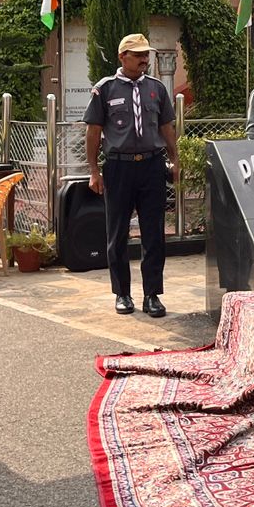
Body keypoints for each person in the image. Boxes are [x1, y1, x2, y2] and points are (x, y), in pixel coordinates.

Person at [85, 34, 180, 317]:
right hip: (119, 167)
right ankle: (122, 293)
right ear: (122, 57)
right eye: (137, 55)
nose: (144, 60)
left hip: (152, 165)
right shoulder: (105, 89)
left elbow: (166, 127)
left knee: (154, 233)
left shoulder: (156, 88)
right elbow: (93, 131)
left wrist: (175, 159)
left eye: (145, 55)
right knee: (117, 233)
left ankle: (152, 295)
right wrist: (94, 170)